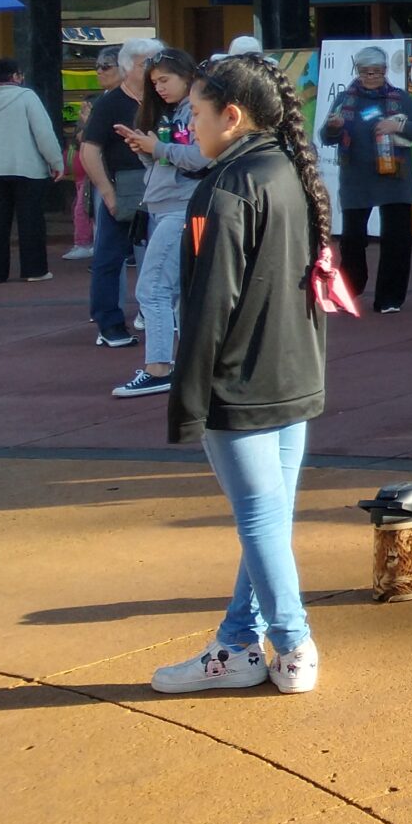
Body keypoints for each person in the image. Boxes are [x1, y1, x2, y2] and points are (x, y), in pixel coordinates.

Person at [150, 51, 331, 696]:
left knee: (260, 519)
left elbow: (209, 302)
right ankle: (238, 643)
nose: (186, 126)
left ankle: (290, 641)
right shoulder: (289, 169)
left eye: (194, 113)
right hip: (291, 368)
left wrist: (187, 394)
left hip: (240, 377)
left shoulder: (224, 187)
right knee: (269, 518)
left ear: (231, 115)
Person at [107, 49, 206, 399]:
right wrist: (145, 148)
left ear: (186, 75)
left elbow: (201, 158)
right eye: (155, 83)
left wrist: (155, 148)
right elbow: (168, 164)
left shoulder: (194, 111)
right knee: (178, 291)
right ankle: (179, 366)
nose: (160, 88)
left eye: (165, 80)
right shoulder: (171, 114)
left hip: (182, 208)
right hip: (167, 206)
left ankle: (159, 368)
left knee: (152, 289)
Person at [317, 44, 412, 314]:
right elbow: (325, 137)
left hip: (395, 179)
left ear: (385, 71)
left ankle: (390, 298)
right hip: (356, 179)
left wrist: (398, 125)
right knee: (353, 240)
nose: (372, 77)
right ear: (358, 72)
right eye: (367, 73)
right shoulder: (345, 99)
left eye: (377, 72)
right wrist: (333, 128)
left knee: (396, 240)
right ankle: (351, 287)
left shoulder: (398, 98)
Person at [81, 38, 156, 347]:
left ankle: (158, 313)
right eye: (146, 63)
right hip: (124, 185)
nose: (153, 69)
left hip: (164, 184)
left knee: (162, 253)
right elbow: (89, 150)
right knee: (110, 255)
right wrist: (108, 193)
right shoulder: (110, 103)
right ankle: (109, 323)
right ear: (127, 68)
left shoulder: (166, 99)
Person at [0, 57, 62, 285]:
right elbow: (43, 133)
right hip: (27, 168)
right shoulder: (27, 97)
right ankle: (35, 270)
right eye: (20, 74)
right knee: (31, 221)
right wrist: (56, 162)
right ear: (15, 76)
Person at [67, 48, 121, 259]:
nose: (99, 71)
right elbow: (81, 137)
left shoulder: (135, 99)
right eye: (97, 66)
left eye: (106, 66)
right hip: (100, 173)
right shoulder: (97, 101)